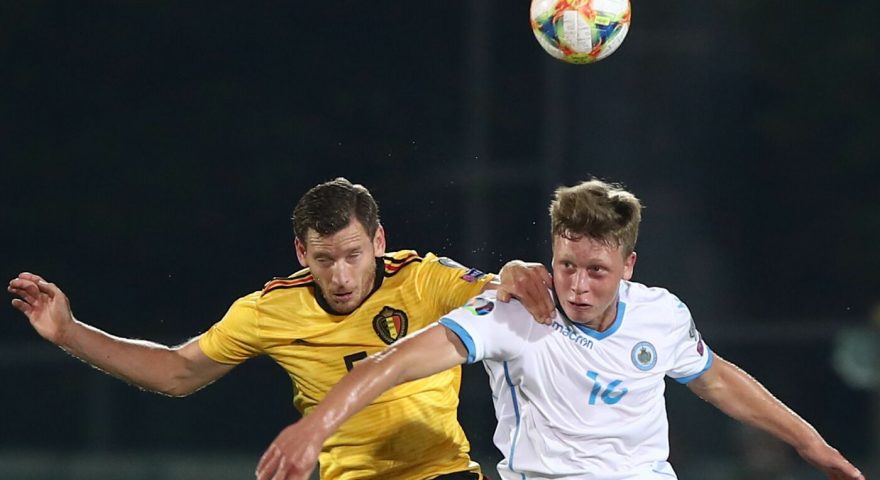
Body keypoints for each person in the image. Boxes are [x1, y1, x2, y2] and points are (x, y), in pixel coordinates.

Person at [259, 179, 865, 480]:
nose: (575, 286)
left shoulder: (662, 314)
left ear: (628, 268)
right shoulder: (513, 313)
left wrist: (812, 444)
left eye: (596, 271)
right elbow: (389, 363)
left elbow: (719, 381)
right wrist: (315, 425)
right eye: (565, 264)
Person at [7, 177, 556, 480]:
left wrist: (508, 272)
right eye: (323, 259)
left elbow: (495, 295)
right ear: (300, 253)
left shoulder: (424, 280)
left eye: (353, 255)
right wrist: (71, 332)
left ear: (379, 241)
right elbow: (178, 372)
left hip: (443, 475)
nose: (340, 276)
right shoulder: (269, 310)